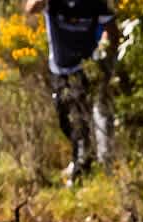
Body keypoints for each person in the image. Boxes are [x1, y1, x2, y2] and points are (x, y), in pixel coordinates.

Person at [24, 0, 116, 184]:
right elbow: (31, 8)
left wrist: (104, 50)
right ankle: (82, 158)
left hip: (85, 67)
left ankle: (82, 170)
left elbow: (111, 28)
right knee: (64, 120)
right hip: (59, 69)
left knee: (81, 121)